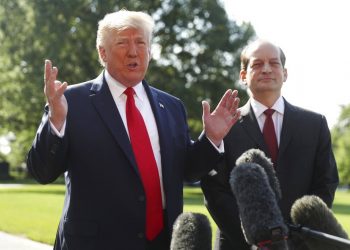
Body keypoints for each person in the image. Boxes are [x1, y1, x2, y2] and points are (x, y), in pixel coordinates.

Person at [26, 10, 241, 250]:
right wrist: (55, 120)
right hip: (95, 243)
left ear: (149, 51)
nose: (133, 51)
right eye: (122, 43)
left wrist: (210, 139)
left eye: (141, 42)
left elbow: (187, 171)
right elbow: (42, 171)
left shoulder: (171, 106)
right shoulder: (70, 101)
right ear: (102, 52)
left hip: (161, 242)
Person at [201, 39, 339, 250]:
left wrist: (297, 238)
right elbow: (214, 192)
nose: (266, 69)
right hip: (239, 244)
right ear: (243, 76)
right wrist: (258, 240)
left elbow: (325, 184)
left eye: (274, 63)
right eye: (257, 64)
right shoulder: (222, 125)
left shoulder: (315, 124)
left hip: (299, 244)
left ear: (285, 73)